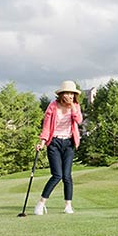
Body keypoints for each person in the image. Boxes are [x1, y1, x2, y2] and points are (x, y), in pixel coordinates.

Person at [34, 80, 83, 215]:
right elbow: (46, 126)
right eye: (68, 93)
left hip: (68, 143)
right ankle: (41, 203)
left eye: (72, 94)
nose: (70, 96)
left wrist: (72, 106)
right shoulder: (53, 106)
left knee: (67, 176)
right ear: (61, 94)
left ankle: (68, 205)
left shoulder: (76, 106)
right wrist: (42, 142)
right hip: (54, 143)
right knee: (57, 175)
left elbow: (79, 120)